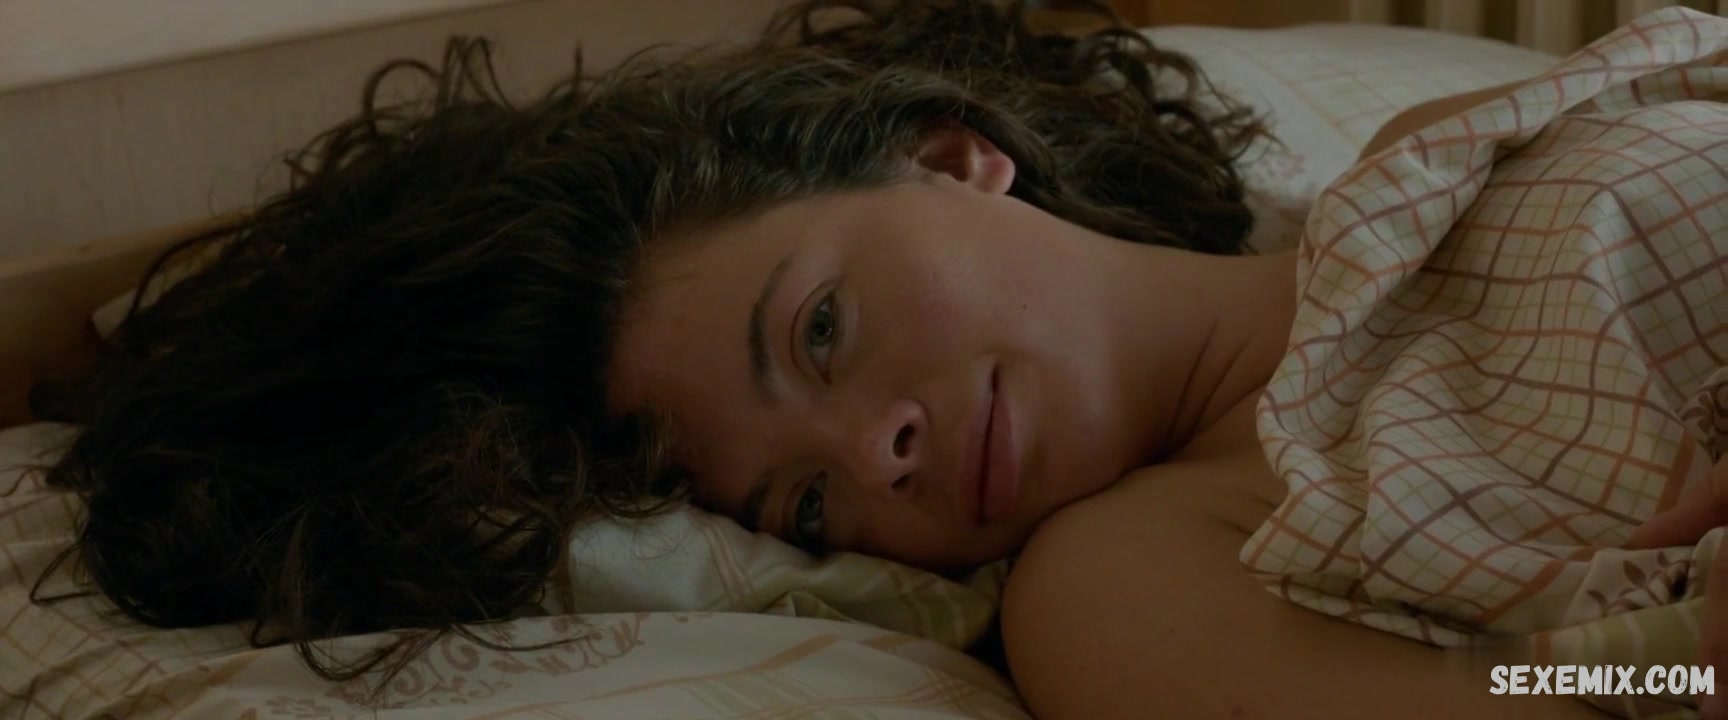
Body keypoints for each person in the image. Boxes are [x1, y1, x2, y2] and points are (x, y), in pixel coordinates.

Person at [27, 0, 1724, 717]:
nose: (876, 456)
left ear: (948, 154)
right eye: (807, 507)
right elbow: (1541, 704)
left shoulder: (1449, 144)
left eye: (820, 332)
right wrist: (1672, 659)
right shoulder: (1116, 585)